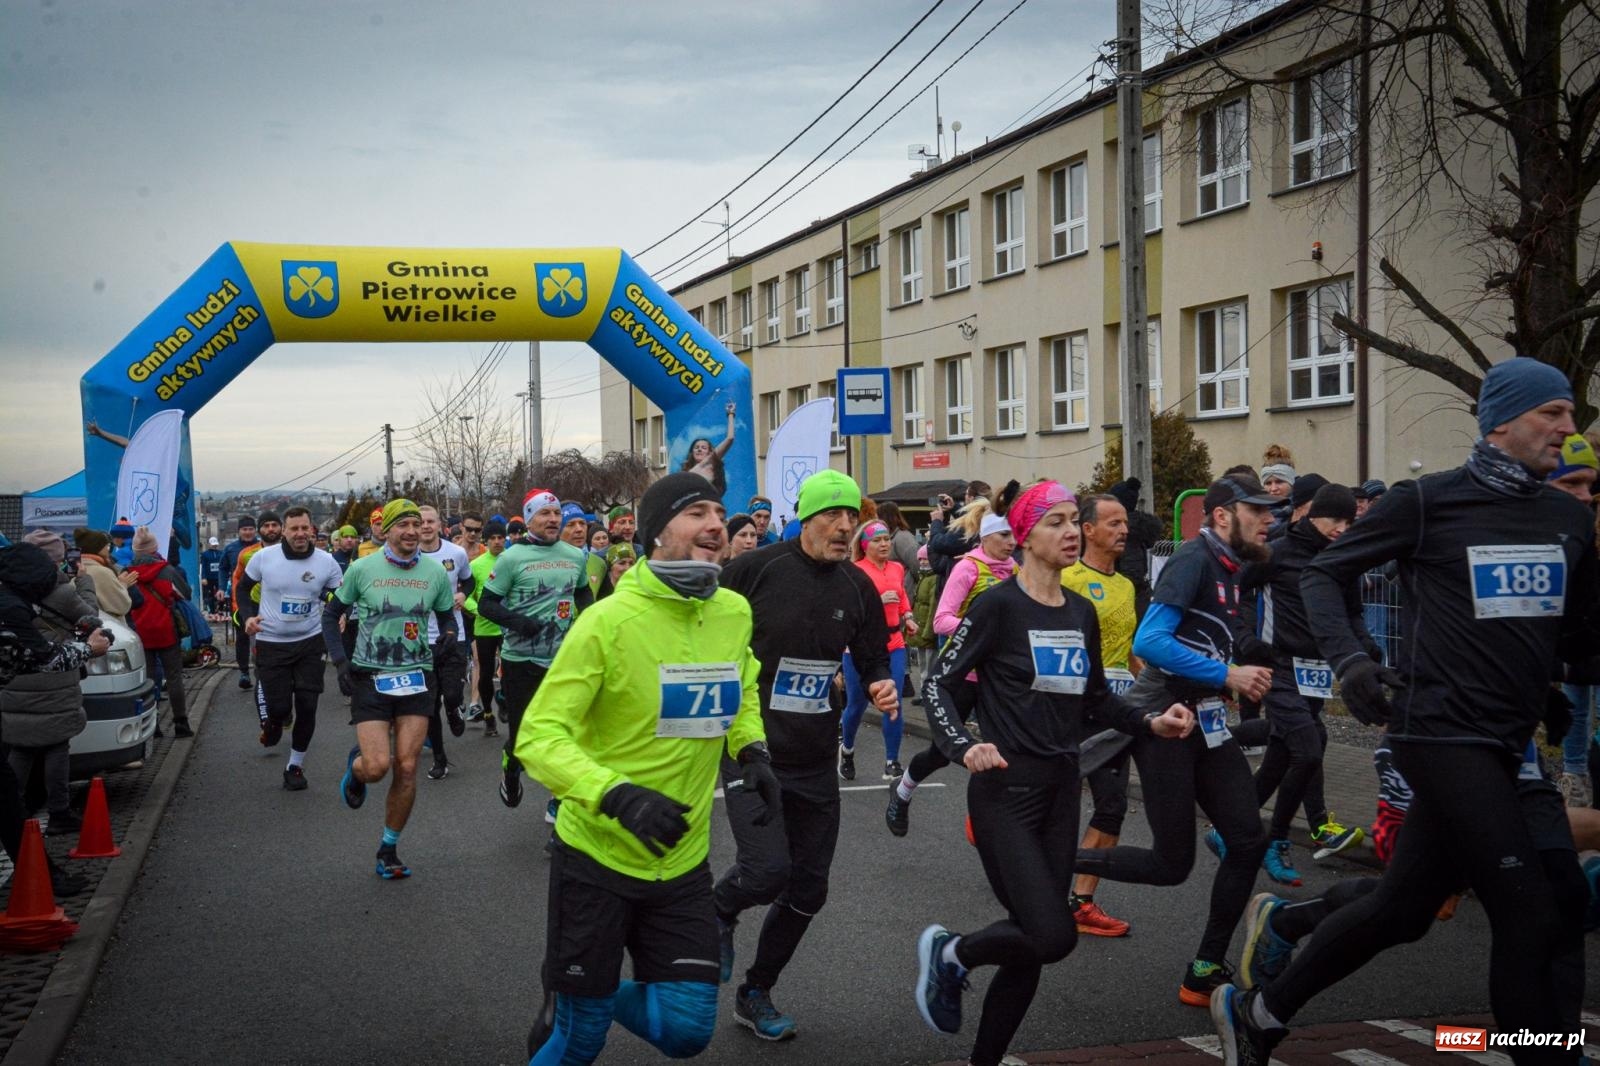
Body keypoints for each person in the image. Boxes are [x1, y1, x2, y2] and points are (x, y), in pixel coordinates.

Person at [1214, 357, 1600, 1065]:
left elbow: (1570, 631)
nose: (1567, 425)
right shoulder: (1430, 502)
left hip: (1509, 745)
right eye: (1552, 412)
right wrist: (1353, 662)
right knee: (1530, 909)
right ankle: (1549, 1053)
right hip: (1440, 734)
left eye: (1571, 412)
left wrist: (1552, 680)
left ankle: (1260, 1012)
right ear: (1501, 422)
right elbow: (1325, 573)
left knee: (1407, 911)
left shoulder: (1565, 518)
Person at [913, 481, 1194, 1066]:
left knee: (1031, 944)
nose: (1070, 532)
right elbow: (937, 683)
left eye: (1072, 521)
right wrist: (963, 746)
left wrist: (1150, 722)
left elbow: (1096, 700)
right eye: (1056, 522)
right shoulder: (996, 606)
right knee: (1052, 934)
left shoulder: (1079, 611)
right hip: (1005, 795)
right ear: (1024, 535)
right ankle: (953, 952)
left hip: (1062, 793)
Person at [518, 472, 777, 1066]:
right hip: (598, 855)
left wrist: (751, 748)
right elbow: (539, 736)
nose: (716, 524)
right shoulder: (607, 622)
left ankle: (584, 990)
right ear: (657, 532)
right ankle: (577, 997)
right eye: (697, 513)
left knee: (686, 1031)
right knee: (579, 1040)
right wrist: (616, 795)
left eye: (720, 513)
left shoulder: (733, 611)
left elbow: (743, 682)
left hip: (681, 858)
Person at [1073, 475, 1277, 1008]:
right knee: (1171, 865)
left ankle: (1204, 968)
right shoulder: (1193, 559)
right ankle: (1052, 858)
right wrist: (1227, 673)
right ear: (1222, 516)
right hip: (1166, 721)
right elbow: (1151, 641)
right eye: (1258, 511)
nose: (1269, 519)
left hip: (1205, 722)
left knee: (1248, 840)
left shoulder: (1232, 566)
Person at [713, 468, 896, 1040]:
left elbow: (871, 654)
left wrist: (878, 682)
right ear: (805, 519)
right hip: (752, 748)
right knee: (766, 871)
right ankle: (719, 909)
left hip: (815, 755)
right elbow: (705, 630)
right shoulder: (754, 569)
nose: (844, 527)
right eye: (832, 516)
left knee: (809, 889)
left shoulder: (857, 586)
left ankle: (756, 991)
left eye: (852, 518)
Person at [1229, 483, 1370, 887]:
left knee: (1281, 754)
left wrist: (1368, 650)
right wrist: (1246, 639)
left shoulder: (1342, 558)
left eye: (1349, 521)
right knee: (1309, 749)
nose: (1343, 528)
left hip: (1316, 672)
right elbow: (1236, 593)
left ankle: (1229, 830)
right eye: (1336, 519)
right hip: (1277, 667)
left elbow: (1353, 613)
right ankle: (1274, 840)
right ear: (1313, 515)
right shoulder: (1278, 551)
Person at [320, 499, 458, 879]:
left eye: (416, 524)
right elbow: (331, 616)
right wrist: (340, 661)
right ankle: (357, 769)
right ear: (387, 530)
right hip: (371, 676)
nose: (412, 531)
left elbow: (447, 616)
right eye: (403, 525)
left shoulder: (434, 573)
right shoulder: (362, 569)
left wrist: (448, 635)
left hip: (416, 676)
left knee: (408, 766)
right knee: (378, 766)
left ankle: (388, 848)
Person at [886, 510, 1014, 835]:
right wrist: (983, 632)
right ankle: (903, 790)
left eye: (1014, 535)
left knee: (1000, 752)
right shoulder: (968, 568)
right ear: (985, 536)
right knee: (942, 754)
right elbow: (942, 620)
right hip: (962, 676)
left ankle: (986, 825)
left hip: (998, 681)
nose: (1012, 542)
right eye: (1004, 535)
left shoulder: (1016, 570)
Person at [476, 490, 591, 809]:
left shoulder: (574, 555)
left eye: (556, 513)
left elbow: (583, 594)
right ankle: (511, 767)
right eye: (544, 514)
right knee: (523, 738)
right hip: (521, 660)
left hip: (562, 658)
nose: (553, 519)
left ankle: (560, 801)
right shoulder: (511, 558)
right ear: (529, 519)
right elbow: (486, 605)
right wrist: (520, 623)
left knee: (566, 733)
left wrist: (588, 621)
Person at [1061, 494, 1141, 938]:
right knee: (1054, 797)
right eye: (1113, 523)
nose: (1123, 530)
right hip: (1071, 707)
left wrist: (1143, 690)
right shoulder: (1067, 578)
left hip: (1114, 710)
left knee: (1112, 804)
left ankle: (1081, 901)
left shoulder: (1127, 585)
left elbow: (1128, 648)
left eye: (1125, 523)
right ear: (1087, 530)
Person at [1, 542, 107, 837]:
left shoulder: (9, 595)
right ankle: (59, 812)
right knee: (57, 746)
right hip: (54, 680)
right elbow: (91, 618)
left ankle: (14, 810)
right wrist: (84, 582)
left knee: (21, 746)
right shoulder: (62, 592)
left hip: (15, 683)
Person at [236, 506, 342, 790]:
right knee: (281, 708)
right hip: (272, 642)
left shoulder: (327, 562)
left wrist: (339, 612)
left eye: (304, 528)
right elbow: (243, 589)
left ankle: (294, 765)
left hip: (310, 641)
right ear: (284, 530)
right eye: (294, 528)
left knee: (307, 706)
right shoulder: (264, 558)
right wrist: (247, 617)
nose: (300, 534)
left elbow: (337, 594)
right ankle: (273, 721)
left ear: (312, 529)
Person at [838, 521, 917, 781]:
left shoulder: (896, 567)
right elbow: (848, 607)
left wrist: (908, 616)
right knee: (857, 705)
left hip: (894, 643)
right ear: (864, 545)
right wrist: (877, 601)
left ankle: (892, 762)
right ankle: (847, 750)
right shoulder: (854, 571)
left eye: (886, 539)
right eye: (877, 540)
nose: (884, 544)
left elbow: (902, 596)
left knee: (893, 702)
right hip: (860, 647)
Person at [1551, 433, 1598, 807]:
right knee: (1576, 706)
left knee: (1578, 707)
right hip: (1578, 629)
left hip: (1584, 626)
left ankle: (1577, 777)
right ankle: (1575, 777)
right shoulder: (1571, 516)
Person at [417, 505, 474, 780]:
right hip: (420, 640)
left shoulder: (456, 553)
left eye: (430, 521)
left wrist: (463, 595)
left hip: (453, 634)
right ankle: (440, 759)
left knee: (451, 694)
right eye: (421, 522)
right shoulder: (408, 557)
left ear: (440, 525)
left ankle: (455, 708)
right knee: (429, 704)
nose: (426, 526)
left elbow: (469, 582)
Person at [126, 527, 195, 738]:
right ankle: (181, 723)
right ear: (155, 548)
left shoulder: (127, 573)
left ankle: (152, 724)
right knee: (174, 677)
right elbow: (186, 594)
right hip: (166, 630)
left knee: (147, 679)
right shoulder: (167, 571)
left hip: (140, 632)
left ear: (135, 549)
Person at [463, 518, 506, 729]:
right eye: (492, 538)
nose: (497, 542)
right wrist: (479, 610)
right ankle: (488, 711)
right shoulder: (476, 565)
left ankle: (505, 700)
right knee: (486, 674)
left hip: (508, 627)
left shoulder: (513, 561)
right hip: (484, 628)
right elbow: (466, 596)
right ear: (486, 541)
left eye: (500, 538)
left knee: (511, 671)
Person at [220, 516, 258, 686]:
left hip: (262, 599)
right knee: (242, 636)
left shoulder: (263, 547)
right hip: (239, 600)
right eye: (244, 529)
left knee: (263, 637)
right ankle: (244, 672)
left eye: (251, 529)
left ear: (255, 530)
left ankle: (262, 671)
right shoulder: (231, 549)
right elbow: (222, 569)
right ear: (239, 531)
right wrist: (221, 588)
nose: (248, 532)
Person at [72, 528, 135, 623]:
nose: (109, 550)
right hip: (109, 627)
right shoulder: (102, 572)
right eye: (107, 546)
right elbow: (122, 606)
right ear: (97, 548)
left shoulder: (75, 569)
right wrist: (123, 585)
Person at [680, 402, 738, 498]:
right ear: (692, 452)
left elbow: (730, 438)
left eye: (704, 448)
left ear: (709, 452)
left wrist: (731, 414)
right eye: (696, 447)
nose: (699, 450)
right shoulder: (684, 473)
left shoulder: (710, 462)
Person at [200, 536, 225, 611]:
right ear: (209, 544)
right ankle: (212, 611)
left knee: (221, 593)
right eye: (212, 544)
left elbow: (224, 565)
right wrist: (203, 577)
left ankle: (220, 609)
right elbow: (203, 566)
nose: (214, 546)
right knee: (210, 594)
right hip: (209, 578)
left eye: (215, 544)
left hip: (219, 577)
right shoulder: (205, 554)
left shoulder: (221, 553)